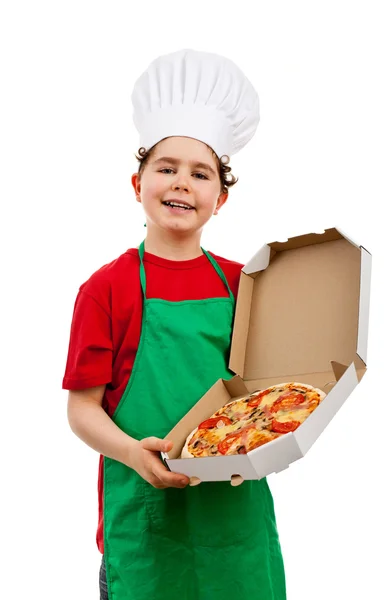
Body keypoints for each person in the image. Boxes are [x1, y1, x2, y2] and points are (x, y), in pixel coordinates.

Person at [63, 48, 286, 600]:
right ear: (137, 184)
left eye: (200, 173)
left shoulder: (248, 282)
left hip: (233, 516)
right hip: (145, 518)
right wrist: (132, 453)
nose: (181, 183)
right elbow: (81, 408)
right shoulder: (106, 288)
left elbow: (266, 392)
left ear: (221, 198)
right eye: (166, 168)